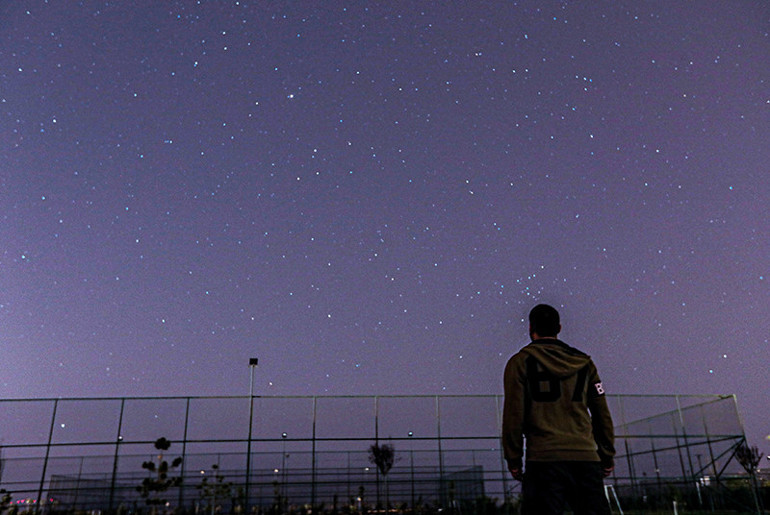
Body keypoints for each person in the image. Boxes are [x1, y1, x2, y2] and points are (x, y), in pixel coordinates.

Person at [502, 304, 615, 514]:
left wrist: (513, 457)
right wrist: (606, 454)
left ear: (530, 327)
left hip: (543, 459)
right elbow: (602, 414)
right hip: (585, 457)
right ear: (559, 328)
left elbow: (513, 415)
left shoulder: (519, 362)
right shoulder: (584, 363)